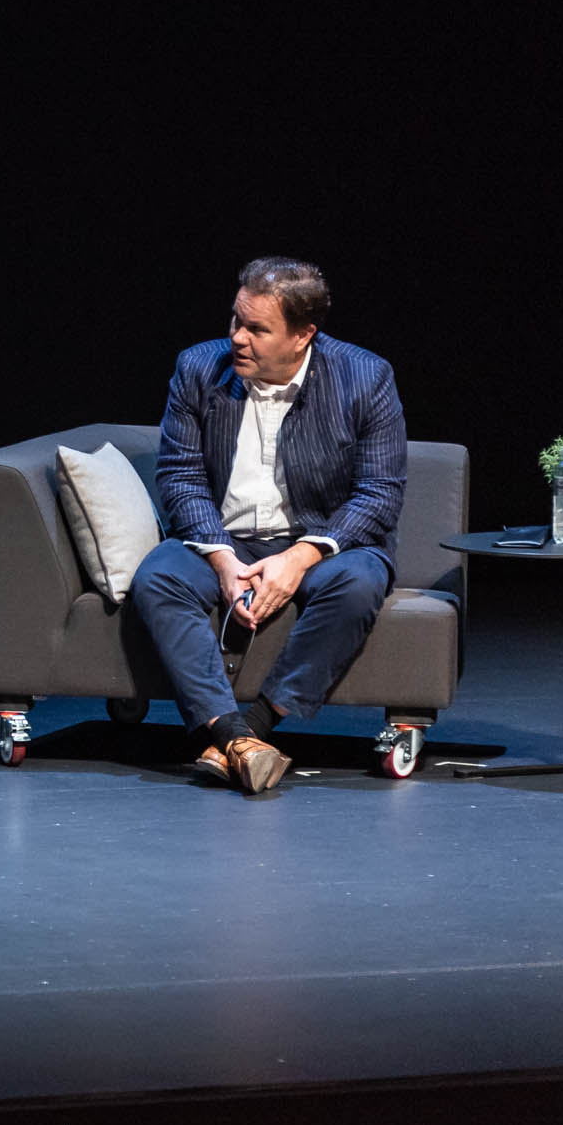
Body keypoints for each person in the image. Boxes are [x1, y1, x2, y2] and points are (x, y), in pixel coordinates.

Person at [130, 259, 406, 797]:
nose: (238, 337)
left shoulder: (364, 376)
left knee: (361, 583)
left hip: (321, 543)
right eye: (236, 320)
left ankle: (250, 729)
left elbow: (379, 493)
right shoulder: (197, 368)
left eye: (257, 329)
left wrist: (300, 557)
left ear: (303, 336)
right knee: (158, 578)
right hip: (221, 538)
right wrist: (221, 558)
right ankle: (234, 735)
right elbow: (180, 477)